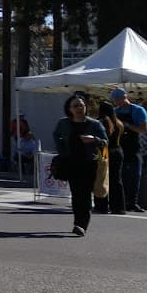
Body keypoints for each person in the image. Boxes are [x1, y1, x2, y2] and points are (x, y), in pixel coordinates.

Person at [53, 93, 107, 237]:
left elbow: (105, 143)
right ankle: (77, 222)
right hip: (71, 163)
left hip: (89, 163)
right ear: (69, 109)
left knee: (85, 194)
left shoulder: (95, 124)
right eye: (75, 106)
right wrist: (62, 151)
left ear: (86, 107)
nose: (78, 108)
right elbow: (56, 136)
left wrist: (94, 140)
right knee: (76, 194)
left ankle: (82, 224)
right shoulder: (63, 123)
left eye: (81, 105)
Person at [109, 88, 147, 211]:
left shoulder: (138, 110)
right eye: (114, 100)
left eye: (117, 99)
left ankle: (133, 202)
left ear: (124, 97)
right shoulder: (115, 111)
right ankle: (119, 201)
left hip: (133, 147)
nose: (115, 102)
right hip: (119, 146)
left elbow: (144, 129)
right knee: (119, 176)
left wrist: (128, 125)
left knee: (134, 175)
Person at [94, 101, 124, 215]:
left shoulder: (101, 121)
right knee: (117, 180)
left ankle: (101, 206)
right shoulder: (119, 123)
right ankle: (119, 207)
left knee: (101, 178)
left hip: (104, 149)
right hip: (117, 149)